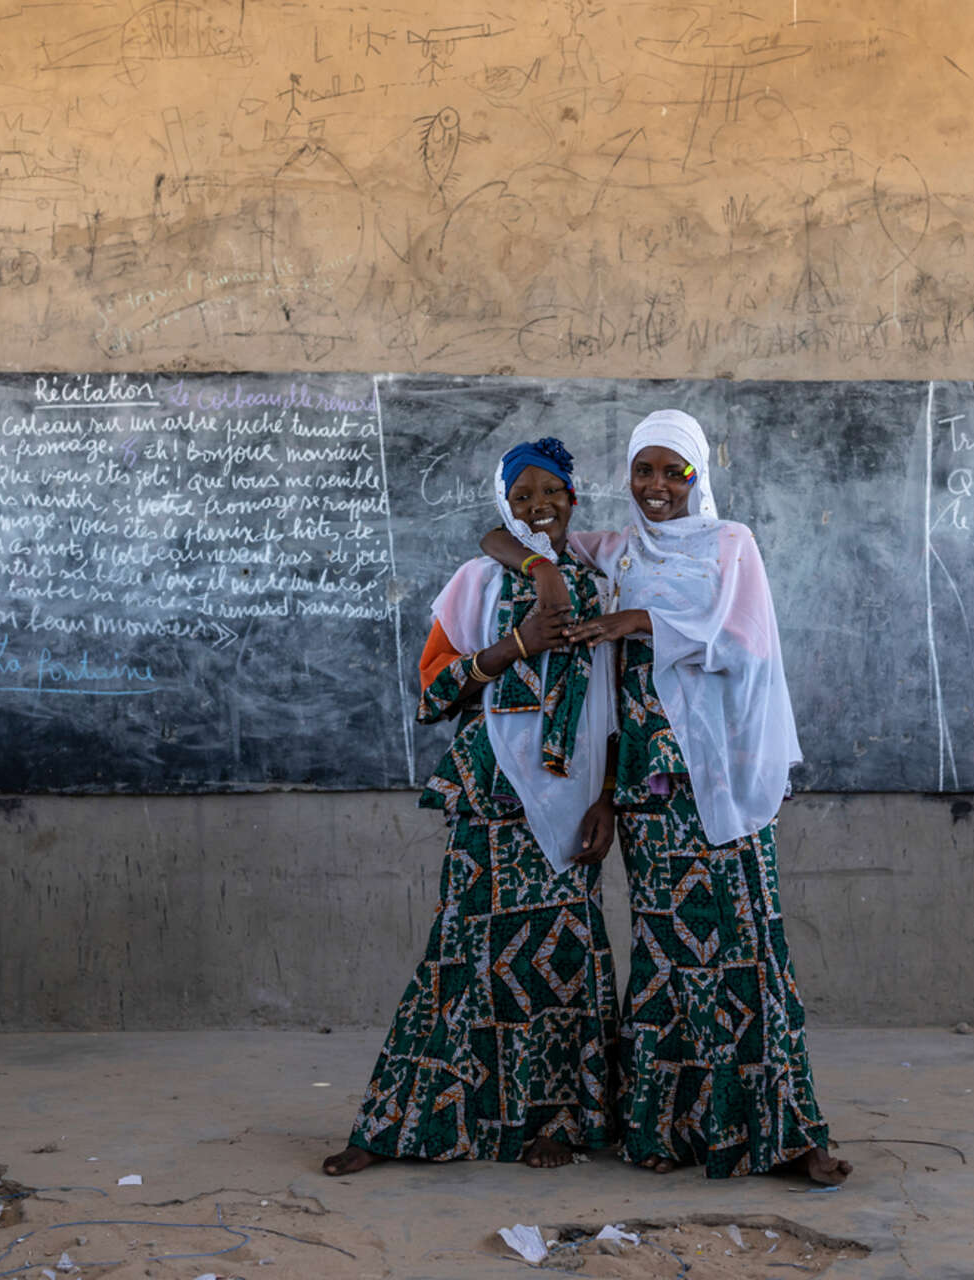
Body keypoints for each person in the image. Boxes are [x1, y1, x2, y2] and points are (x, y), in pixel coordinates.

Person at [481, 409, 852, 1183]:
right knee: (669, 958)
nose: (656, 487)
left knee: (747, 952)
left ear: (696, 476)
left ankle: (789, 1134)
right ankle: (670, 1128)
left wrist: (636, 620)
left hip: (715, 788)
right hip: (647, 796)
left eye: (672, 471)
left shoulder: (730, 545)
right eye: (642, 472)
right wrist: (544, 572)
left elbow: (742, 642)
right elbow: (503, 537)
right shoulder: (614, 552)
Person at [323, 437, 619, 1176]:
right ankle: (402, 1122)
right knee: (461, 955)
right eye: (521, 497)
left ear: (572, 500)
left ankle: (553, 1120)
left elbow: (618, 705)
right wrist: (512, 645)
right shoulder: (476, 582)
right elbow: (432, 693)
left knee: (560, 961)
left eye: (550, 492)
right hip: (488, 798)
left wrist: (609, 800)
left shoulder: (602, 582)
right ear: (504, 506)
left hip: (571, 801)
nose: (537, 506)